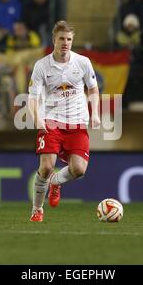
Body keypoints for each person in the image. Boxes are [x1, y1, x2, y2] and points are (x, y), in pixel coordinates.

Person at [27, 20, 101, 222]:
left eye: (69, 39)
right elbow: (32, 97)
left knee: (79, 170)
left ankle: (56, 182)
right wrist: (37, 119)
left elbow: (93, 89)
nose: (65, 43)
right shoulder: (41, 66)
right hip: (51, 121)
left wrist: (94, 114)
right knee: (46, 166)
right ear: (54, 40)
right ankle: (37, 209)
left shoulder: (83, 62)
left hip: (77, 123)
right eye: (62, 39)